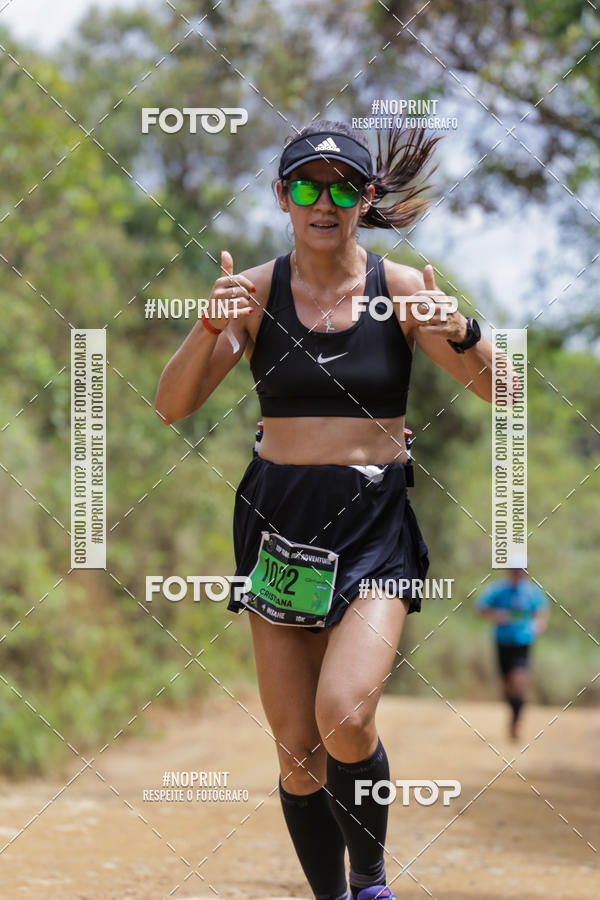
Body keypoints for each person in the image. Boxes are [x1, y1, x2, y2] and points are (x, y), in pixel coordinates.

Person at [155, 121, 496, 900]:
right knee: (298, 750)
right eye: (306, 184)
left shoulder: (404, 291)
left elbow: (502, 389)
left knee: (344, 714)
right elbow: (172, 405)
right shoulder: (258, 294)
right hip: (279, 528)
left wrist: (466, 331)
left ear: (366, 198)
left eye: (344, 186)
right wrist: (209, 326)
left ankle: (370, 882)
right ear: (282, 197)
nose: (324, 200)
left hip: (374, 529)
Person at [476, 564, 549, 739]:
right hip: (502, 642)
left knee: (519, 679)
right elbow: (480, 608)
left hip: (522, 642)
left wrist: (537, 626)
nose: (518, 573)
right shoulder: (497, 590)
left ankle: (517, 721)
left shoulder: (532, 592)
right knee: (507, 684)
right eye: (515, 570)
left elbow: (542, 612)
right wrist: (495, 615)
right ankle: (513, 713)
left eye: (521, 570)